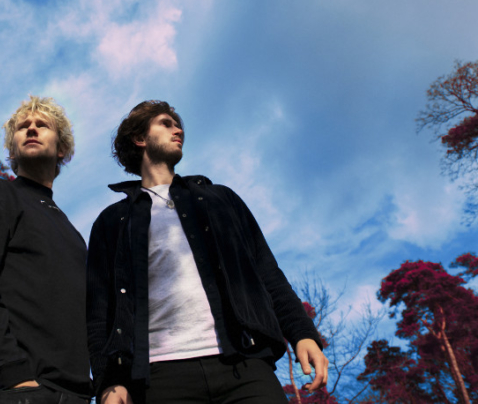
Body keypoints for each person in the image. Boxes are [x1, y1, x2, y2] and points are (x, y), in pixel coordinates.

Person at [86, 100, 328, 404]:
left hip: (245, 366)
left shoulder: (220, 199)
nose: (178, 130)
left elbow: (267, 273)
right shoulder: (113, 221)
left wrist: (302, 333)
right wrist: (109, 382)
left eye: (178, 125)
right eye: (166, 123)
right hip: (158, 379)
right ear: (139, 138)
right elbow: (99, 311)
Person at [0, 96, 93, 404]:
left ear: (62, 149)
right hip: (1, 387)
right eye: (22, 126)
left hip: (74, 394)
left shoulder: (73, 235)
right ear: (13, 150)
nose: (31, 129)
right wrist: (12, 371)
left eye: (42, 125)